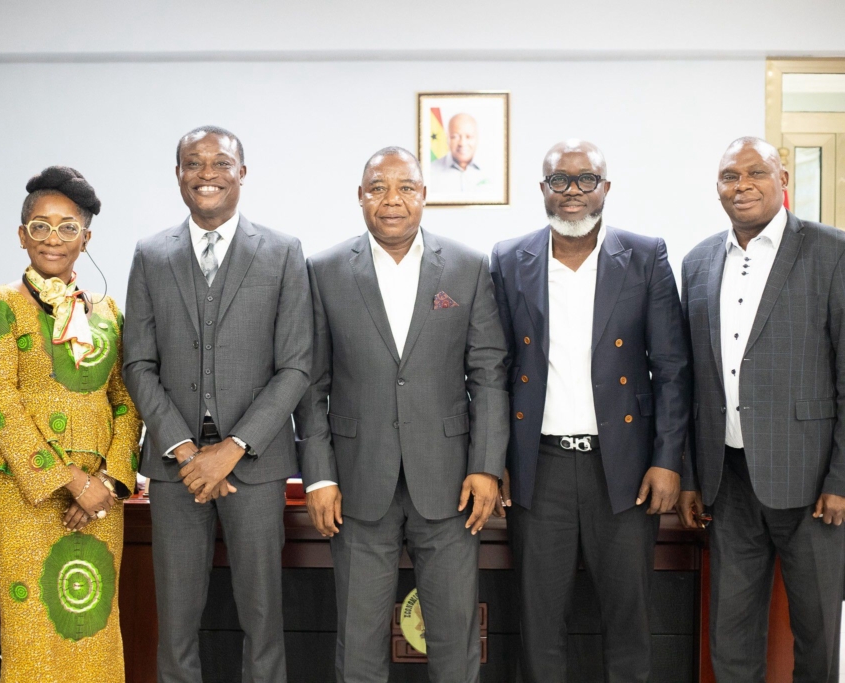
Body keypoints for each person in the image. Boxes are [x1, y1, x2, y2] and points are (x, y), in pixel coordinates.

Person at [294, 146, 508, 682]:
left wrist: (486, 466)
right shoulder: (323, 270)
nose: (392, 199)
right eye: (378, 188)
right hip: (356, 482)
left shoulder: (467, 267)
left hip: (451, 483)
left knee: (455, 641)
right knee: (359, 645)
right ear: (360, 196)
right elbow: (311, 383)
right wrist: (318, 476)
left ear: (424, 195)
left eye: (405, 187)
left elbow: (488, 374)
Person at [489, 139, 691, 683]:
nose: (572, 191)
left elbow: (672, 368)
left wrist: (667, 459)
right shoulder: (508, 259)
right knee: (539, 624)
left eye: (586, 179)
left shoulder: (646, 256)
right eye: (560, 180)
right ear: (543, 188)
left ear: (606, 187)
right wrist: (493, 460)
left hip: (623, 467)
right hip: (539, 468)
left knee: (629, 620)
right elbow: (494, 370)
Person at [123, 126, 311, 683]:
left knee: (263, 617)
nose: (207, 174)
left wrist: (233, 448)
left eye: (221, 163)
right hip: (174, 468)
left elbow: (296, 366)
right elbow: (138, 363)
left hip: (255, 466)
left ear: (242, 173)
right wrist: (185, 451)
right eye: (193, 163)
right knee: (176, 622)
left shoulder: (282, 252)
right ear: (178, 174)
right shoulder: (151, 255)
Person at [677, 137, 845, 681]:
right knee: (730, 635)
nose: (742, 185)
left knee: (817, 633)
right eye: (730, 176)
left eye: (756, 173)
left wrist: (841, 478)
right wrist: (690, 476)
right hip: (728, 481)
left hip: (812, 482)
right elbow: (690, 380)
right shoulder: (698, 261)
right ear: (717, 187)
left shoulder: (832, 251)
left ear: (782, 180)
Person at [0, 166, 142, 683]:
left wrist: (107, 481)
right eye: (40, 226)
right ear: (22, 236)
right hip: (24, 493)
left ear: (86, 239)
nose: (53, 238)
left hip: (101, 501)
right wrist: (72, 482)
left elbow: (126, 401)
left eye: (68, 227)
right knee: (34, 634)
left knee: (93, 626)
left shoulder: (107, 312)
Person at [429, 113, 488, 193]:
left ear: (477, 138)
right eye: (455, 136)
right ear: (447, 138)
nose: (462, 143)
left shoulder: (492, 171)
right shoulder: (430, 172)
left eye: (469, 137)